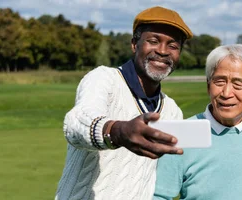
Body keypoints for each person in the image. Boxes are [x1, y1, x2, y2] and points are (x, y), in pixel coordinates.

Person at [55, 6, 194, 200]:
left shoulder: (172, 112)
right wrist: (118, 131)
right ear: (134, 44)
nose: (163, 51)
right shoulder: (104, 78)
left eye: (173, 46)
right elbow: (75, 125)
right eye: (153, 41)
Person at [153, 44, 242, 200]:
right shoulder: (182, 134)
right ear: (208, 86)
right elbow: (159, 196)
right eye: (219, 82)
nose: (226, 93)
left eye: (238, 84)